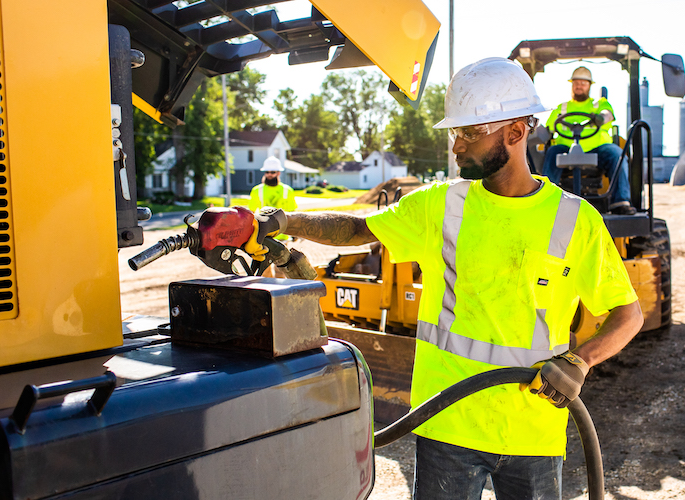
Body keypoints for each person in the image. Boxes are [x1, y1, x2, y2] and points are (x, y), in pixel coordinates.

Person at [248, 57, 644, 499]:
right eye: (456, 133)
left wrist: (581, 360)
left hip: (532, 427)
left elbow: (628, 314)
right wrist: (284, 222)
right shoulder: (440, 204)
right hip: (447, 422)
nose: (457, 147)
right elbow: (361, 229)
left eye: (470, 133)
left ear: (515, 132)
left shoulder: (575, 220)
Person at [542, 66, 634, 214]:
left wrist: (600, 118)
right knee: (552, 152)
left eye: (583, 83)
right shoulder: (562, 108)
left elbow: (607, 115)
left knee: (617, 154)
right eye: (576, 82)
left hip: (598, 150)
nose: (579, 86)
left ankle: (620, 201)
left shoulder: (599, 104)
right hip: (566, 149)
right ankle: (546, 200)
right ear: (572, 85)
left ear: (589, 86)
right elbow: (549, 128)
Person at [249, 156, 297, 241]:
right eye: (267, 172)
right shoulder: (257, 190)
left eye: (272, 172)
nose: (269, 174)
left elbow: (292, 213)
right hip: (264, 236)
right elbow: (251, 213)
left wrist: (295, 232)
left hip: (283, 235)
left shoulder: (288, 190)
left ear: (279, 173)